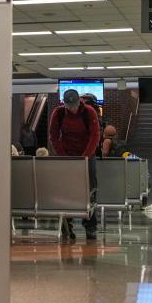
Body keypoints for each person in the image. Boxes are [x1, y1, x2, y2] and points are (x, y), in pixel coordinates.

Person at [48, 89, 101, 242]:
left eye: (74, 106)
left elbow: (95, 136)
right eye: (68, 106)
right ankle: (67, 225)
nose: (71, 109)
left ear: (79, 103)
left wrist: (85, 157)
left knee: (90, 189)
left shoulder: (89, 112)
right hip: (68, 156)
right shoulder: (58, 113)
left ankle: (90, 226)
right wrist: (64, 156)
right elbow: (53, 136)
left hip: (87, 155)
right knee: (67, 190)